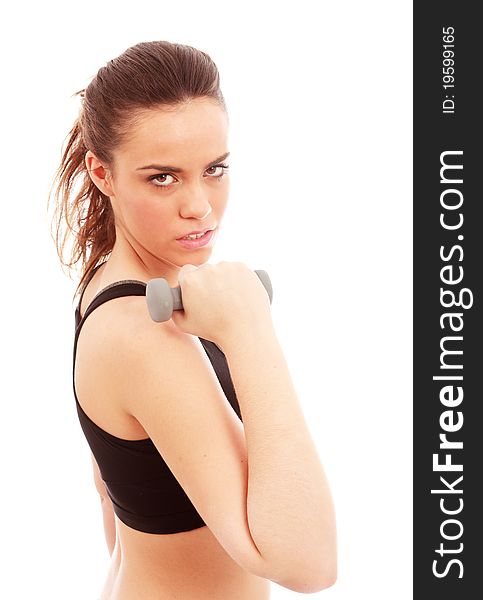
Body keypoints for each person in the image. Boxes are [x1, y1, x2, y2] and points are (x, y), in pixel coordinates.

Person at [48, 40, 337, 599]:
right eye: (163, 177)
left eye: (214, 169)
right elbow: (311, 564)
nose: (200, 205)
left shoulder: (107, 282)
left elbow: (112, 491)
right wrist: (251, 331)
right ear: (102, 173)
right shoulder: (141, 333)